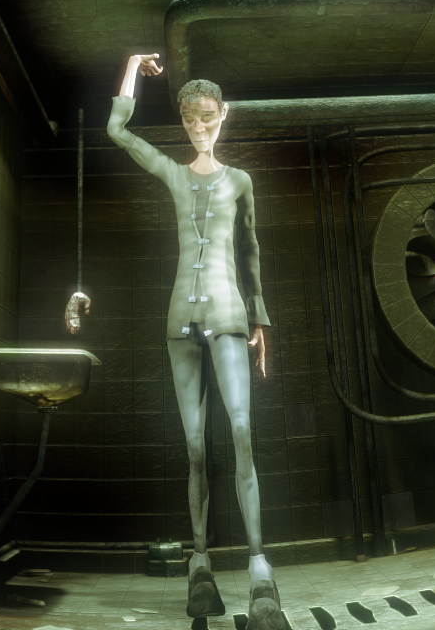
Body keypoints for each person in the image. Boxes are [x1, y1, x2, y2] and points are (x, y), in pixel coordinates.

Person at [66, 54, 285, 629]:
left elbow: (250, 251)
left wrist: (260, 319)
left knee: (241, 430)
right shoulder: (172, 172)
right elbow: (117, 130)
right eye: (190, 119)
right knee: (193, 446)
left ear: (223, 114)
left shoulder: (240, 182)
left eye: (207, 117)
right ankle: (200, 565)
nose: (199, 127)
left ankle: (259, 568)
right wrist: (131, 68)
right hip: (180, 321)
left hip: (229, 314)